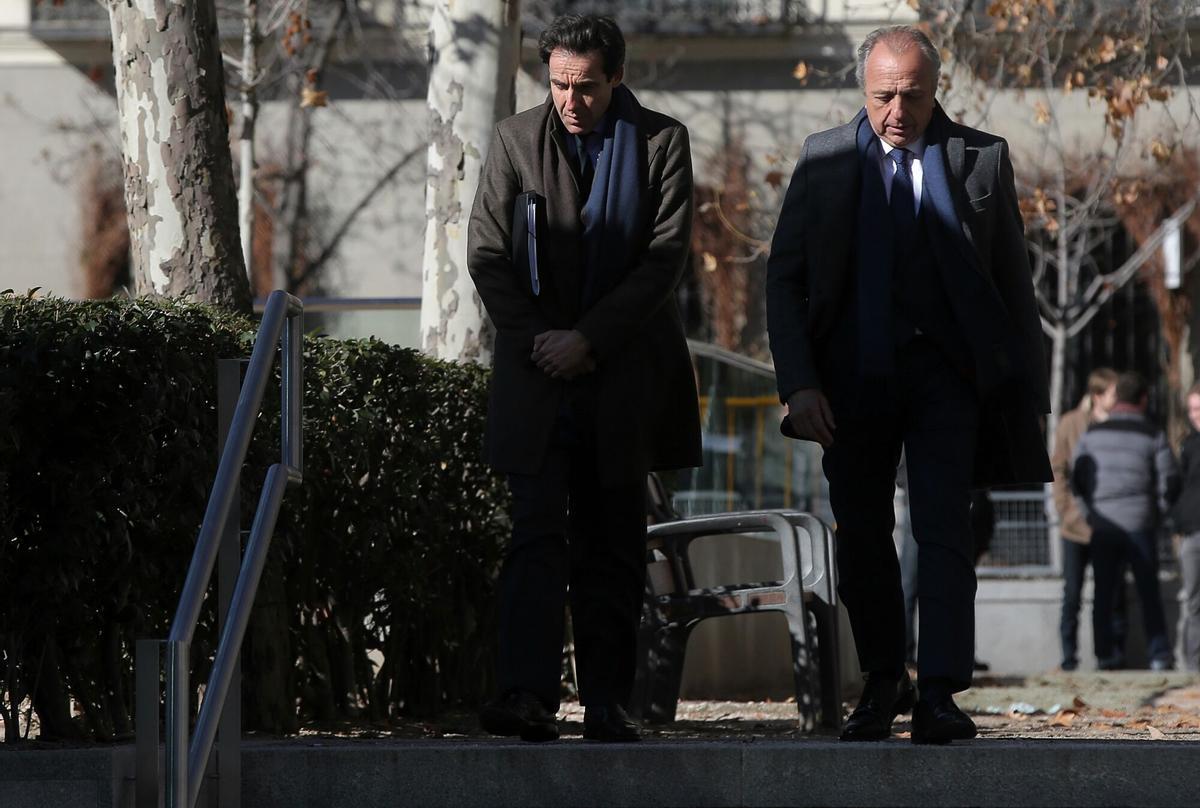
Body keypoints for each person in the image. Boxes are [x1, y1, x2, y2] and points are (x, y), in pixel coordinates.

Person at [765, 25, 1051, 745]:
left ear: (935, 91)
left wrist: (1021, 388)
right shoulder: (825, 159)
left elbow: (1014, 285)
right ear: (865, 92)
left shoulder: (982, 159)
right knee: (862, 532)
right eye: (884, 96)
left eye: (913, 96)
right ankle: (883, 680)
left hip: (946, 378)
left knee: (944, 527)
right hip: (851, 380)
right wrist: (798, 385)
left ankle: (943, 692)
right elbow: (785, 283)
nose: (897, 111)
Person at [466, 14, 701, 743]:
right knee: (534, 538)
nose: (571, 100)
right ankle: (526, 696)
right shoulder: (513, 140)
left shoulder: (662, 142)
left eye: (587, 86)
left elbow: (663, 260)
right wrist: (543, 341)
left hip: (622, 378)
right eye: (560, 84)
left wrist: (589, 340)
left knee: (613, 544)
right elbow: (487, 255)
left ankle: (609, 701)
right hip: (537, 378)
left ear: (617, 78)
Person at [1071, 371, 1178, 671]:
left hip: (1103, 525)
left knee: (1103, 593)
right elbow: (1169, 481)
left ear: (1116, 399)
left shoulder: (1092, 435)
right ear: (1143, 399)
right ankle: (1159, 655)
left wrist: (1090, 512)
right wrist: (1155, 511)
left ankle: (1105, 655)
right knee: (1148, 593)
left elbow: (1077, 477)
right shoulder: (1152, 434)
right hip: (1140, 522)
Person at [1051, 367, 1128, 671]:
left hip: (1108, 524)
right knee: (1072, 594)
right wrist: (1066, 509)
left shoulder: (1121, 425)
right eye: (1113, 392)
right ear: (1098, 395)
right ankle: (1069, 659)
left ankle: (1109, 656)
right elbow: (1059, 470)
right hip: (1075, 526)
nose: (1118, 398)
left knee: (1111, 593)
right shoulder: (1071, 423)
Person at [1172, 383, 1200, 672]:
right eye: (1192, 409)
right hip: (1192, 532)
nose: (1195, 415)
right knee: (1193, 602)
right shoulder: (1188, 445)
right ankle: (1194, 666)